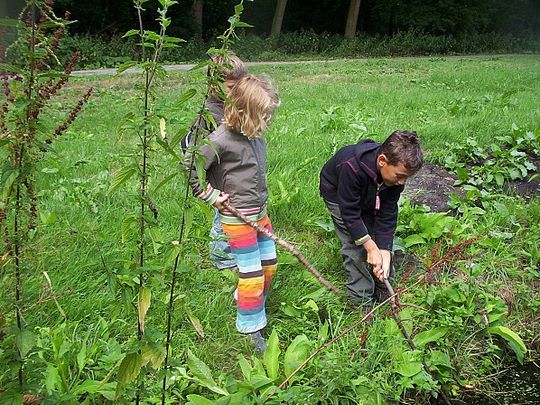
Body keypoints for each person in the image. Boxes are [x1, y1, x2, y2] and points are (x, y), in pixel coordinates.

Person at [184, 74, 280, 353]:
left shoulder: (254, 136)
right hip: (236, 218)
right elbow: (190, 164)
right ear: (242, 113)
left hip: (258, 213)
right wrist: (209, 195)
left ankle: (247, 298)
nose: (268, 122)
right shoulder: (220, 140)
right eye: (263, 116)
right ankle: (251, 330)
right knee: (251, 274)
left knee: (269, 264)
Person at [319, 130, 424, 308]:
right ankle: (361, 300)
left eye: (407, 178)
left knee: (378, 241)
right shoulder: (351, 167)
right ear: (382, 161)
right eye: (400, 176)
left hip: (370, 194)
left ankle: (383, 284)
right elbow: (350, 214)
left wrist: (383, 249)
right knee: (356, 246)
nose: (403, 183)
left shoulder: (394, 179)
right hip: (339, 197)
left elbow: (388, 213)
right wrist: (369, 246)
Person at [182, 53, 247, 271]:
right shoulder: (207, 116)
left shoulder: (235, 104)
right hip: (221, 184)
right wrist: (206, 192)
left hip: (237, 177)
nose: (235, 92)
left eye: (239, 86)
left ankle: (239, 249)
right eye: (230, 86)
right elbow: (191, 160)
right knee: (225, 220)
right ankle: (223, 261)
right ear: (213, 85)